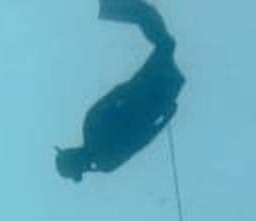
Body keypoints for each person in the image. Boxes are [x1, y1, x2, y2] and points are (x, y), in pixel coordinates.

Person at [55, 0, 185, 182]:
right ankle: (109, 7)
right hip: (151, 93)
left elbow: (142, 139)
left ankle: (109, 7)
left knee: (164, 42)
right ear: (73, 153)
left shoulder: (105, 161)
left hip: (155, 98)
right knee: (163, 40)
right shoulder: (92, 129)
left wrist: (165, 117)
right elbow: (121, 97)